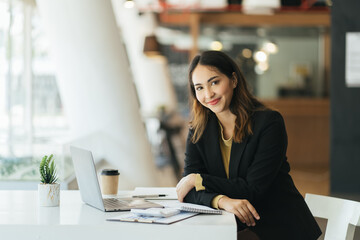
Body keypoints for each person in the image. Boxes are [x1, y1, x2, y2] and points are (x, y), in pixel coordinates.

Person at [176, 51, 322, 239]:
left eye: (214, 82)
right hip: (233, 229)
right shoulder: (198, 131)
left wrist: (198, 179)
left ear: (234, 80)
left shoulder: (269, 123)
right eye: (199, 88)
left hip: (282, 229)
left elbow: (252, 189)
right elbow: (187, 192)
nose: (208, 94)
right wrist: (222, 201)